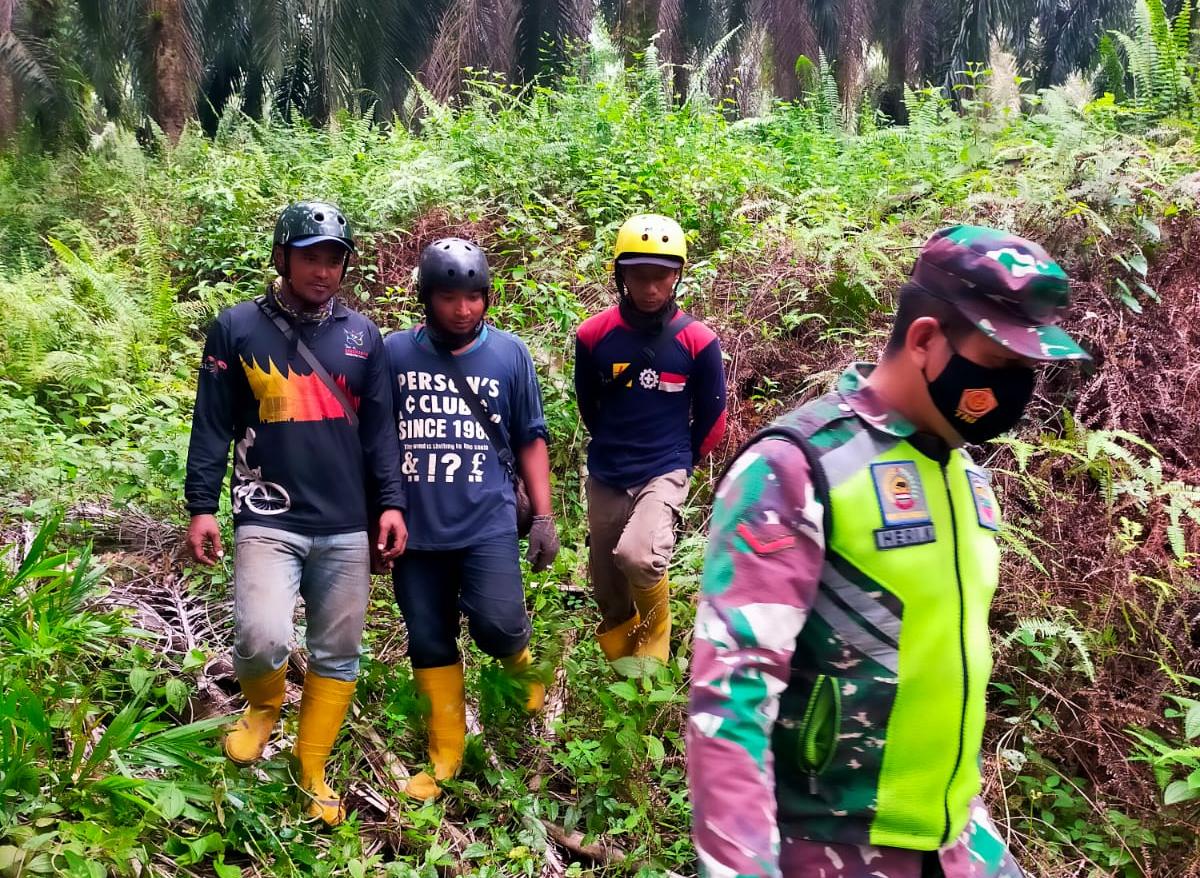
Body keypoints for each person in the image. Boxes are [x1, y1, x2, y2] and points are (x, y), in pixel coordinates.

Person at [687, 225, 1092, 877]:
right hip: (831, 847)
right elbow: (731, 696)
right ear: (925, 340)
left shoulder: (966, 476)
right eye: (1001, 366)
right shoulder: (800, 468)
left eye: (1030, 373)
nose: (1018, 393)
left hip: (958, 840)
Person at [184, 200, 407, 826]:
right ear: (282, 257)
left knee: (338, 655)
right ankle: (262, 708)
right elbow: (212, 424)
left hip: (346, 523)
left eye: (334, 259)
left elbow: (381, 435)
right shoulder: (236, 327)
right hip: (266, 512)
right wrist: (201, 504)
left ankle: (312, 766)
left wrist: (390, 504)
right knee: (261, 637)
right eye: (311, 256)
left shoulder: (365, 338)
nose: (323, 270)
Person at [385, 236, 559, 800]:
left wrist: (544, 517)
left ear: (487, 297)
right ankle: (445, 753)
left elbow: (531, 438)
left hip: (487, 518)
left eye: (473, 298)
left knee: (498, 623)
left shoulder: (510, 355)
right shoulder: (392, 354)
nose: (463, 310)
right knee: (429, 638)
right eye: (449, 298)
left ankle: (520, 665)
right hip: (415, 525)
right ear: (426, 299)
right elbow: (373, 439)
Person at [574, 213, 727, 665]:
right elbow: (590, 404)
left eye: (661, 276)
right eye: (639, 275)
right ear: (622, 275)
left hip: (664, 466)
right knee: (607, 585)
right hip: (608, 469)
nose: (650, 287)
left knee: (639, 557)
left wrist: (681, 461)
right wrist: (614, 444)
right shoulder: (593, 335)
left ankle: (656, 639)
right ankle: (626, 671)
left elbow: (714, 416)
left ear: (677, 275)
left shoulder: (698, 341)